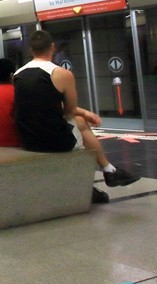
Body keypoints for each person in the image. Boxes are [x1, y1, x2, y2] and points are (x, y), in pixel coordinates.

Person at [13, 30, 140, 204]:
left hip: (28, 139)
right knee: (80, 123)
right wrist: (85, 113)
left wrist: (84, 113)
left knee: (79, 120)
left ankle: (109, 170)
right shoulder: (61, 74)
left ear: (30, 50)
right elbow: (70, 110)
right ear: (52, 47)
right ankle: (99, 177)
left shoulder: (18, 74)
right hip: (55, 141)